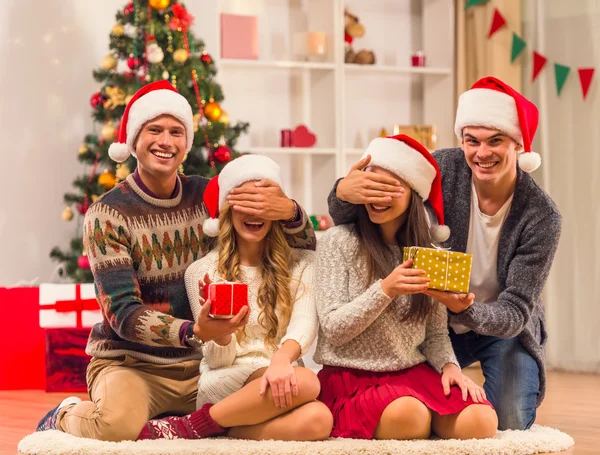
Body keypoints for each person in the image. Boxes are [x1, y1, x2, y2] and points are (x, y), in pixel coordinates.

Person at [36, 81, 316, 442]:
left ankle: (197, 426)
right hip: (133, 363)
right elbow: (122, 314)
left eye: (176, 132)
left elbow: (302, 249)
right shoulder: (107, 214)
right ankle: (65, 415)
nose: (165, 141)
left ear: (186, 142)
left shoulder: (208, 195)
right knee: (116, 426)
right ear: (134, 140)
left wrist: (290, 211)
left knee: (296, 397)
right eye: (154, 130)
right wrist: (192, 331)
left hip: (206, 365)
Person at [328, 76, 561, 430]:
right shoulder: (442, 168)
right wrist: (342, 192)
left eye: (495, 141)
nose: (482, 153)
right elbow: (365, 218)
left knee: (508, 422)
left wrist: (467, 309)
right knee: (415, 413)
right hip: (432, 325)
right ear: (462, 141)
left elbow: (515, 312)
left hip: (501, 330)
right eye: (472, 141)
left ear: (518, 144)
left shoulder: (542, 216)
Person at [135, 154, 332, 441]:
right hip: (227, 379)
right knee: (308, 382)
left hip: (281, 375)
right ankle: (202, 421)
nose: (254, 213)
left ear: (276, 210)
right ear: (227, 211)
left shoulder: (303, 263)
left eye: (262, 203)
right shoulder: (202, 271)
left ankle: (217, 428)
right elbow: (217, 360)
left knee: (319, 420)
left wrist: (279, 360)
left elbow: (304, 324)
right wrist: (221, 332)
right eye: (244, 204)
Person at [314, 134, 497, 440]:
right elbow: (333, 329)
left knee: (482, 420)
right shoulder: (337, 242)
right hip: (353, 377)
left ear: (413, 193)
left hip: (412, 372)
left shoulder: (430, 255)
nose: (378, 196)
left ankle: (425, 418)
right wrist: (385, 290)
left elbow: (436, 335)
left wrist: (450, 367)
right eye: (371, 186)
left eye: (391, 187)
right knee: (410, 417)